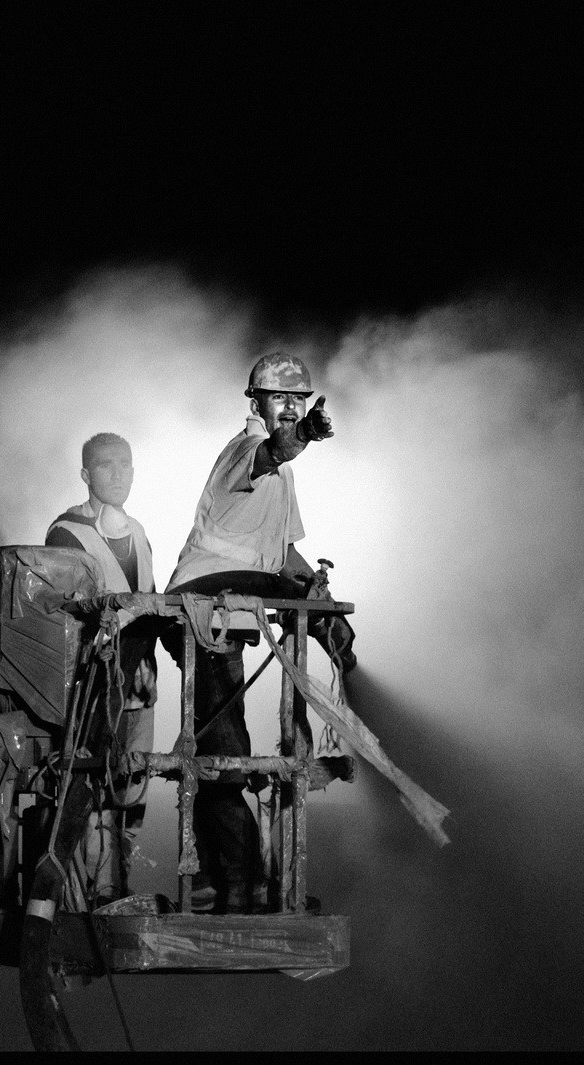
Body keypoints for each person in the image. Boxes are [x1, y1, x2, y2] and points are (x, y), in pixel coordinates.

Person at [165, 351, 353, 914]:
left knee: (226, 746)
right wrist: (306, 435)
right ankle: (237, 883)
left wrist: (324, 608)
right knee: (225, 751)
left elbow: (283, 555)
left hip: (229, 614)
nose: (291, 407)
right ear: (256, 402)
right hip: (200, 612)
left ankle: (226, 879)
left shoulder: (282, 476)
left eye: (298, 399)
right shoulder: (244, 451)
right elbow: (275, 450)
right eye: (280, 398)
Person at [45, 432, 157, 904]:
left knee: (133, 786)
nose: (118, 474)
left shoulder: (139, 534)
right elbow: (63, 612)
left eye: (125, 464)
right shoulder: (66, 532)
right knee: (93, 780)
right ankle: (90, 895)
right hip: (93, 682)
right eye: (107, 465)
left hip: (140, 684)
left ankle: (118, 888)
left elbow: (151, 603)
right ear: (86, 475)